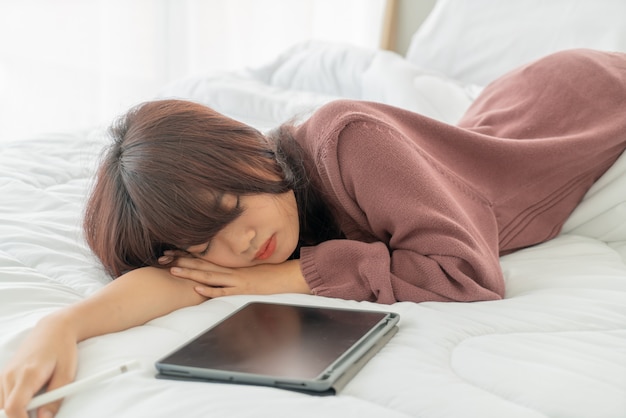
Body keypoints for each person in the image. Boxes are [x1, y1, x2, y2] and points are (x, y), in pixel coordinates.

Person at [1, 48, 626, 418]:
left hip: (581, 93)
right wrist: (62, 327)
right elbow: (179, 283)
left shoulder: (349, 138)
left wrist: (291, 275)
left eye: (228, 201)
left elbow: (464, 277)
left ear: (244, 147)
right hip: (488, 120)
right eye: (202, 243)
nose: (238, 246)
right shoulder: (254, 222)